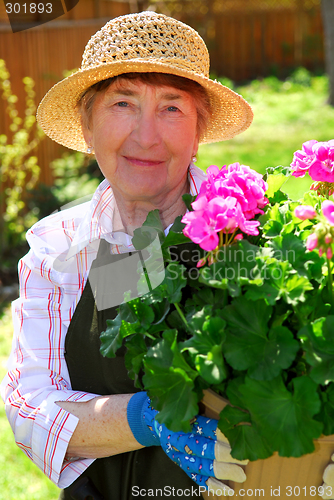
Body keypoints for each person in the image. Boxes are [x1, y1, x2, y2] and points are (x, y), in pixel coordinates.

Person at [0, 11, 254, 500]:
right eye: (123, 103)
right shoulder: (57, 250)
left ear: (199, 131)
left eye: (172, 108)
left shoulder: (250, 235)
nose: (146, 136)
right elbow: (30, 405)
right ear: (86, 124)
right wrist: (147, 418)